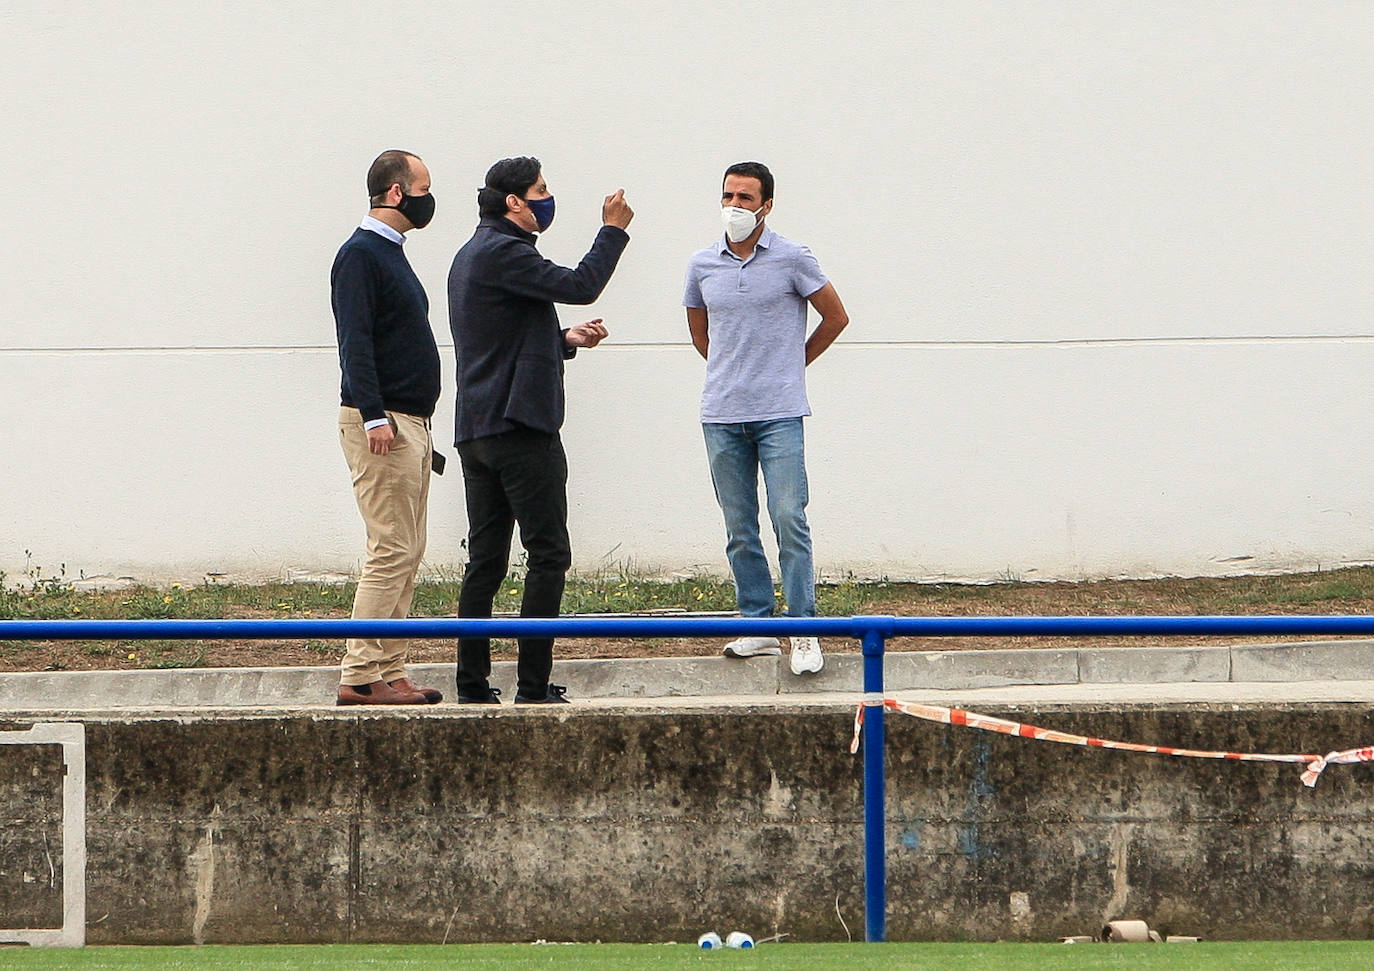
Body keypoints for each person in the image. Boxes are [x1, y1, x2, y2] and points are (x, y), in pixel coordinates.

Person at [447, 157, 633, 704]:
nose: (549, 200)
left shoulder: (471, 254)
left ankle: (472, 682)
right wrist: (613, 231)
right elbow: (581, 283)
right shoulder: (506, 251)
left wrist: (565, 340)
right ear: (515, 202)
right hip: (520, 428)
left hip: (477, 430)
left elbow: (500, 340)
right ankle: (531, 684)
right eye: (542, 191)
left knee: (485, 560)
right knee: (548, 553)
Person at [683, 161, 849, 675]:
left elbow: (835, 316)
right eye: (728, 195)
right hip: (722, 413)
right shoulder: (702, 264)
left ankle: (804, 628)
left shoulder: (793, 258)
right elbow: (699, 329)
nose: (735, 205)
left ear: (767, 205)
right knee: (739, 526)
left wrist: (789, 364)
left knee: (788, 518)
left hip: (778, 413)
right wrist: (730, 370)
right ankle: (757, 622)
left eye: (746, 198)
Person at [331, 149, 445, 706]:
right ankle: (358, 675)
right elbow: (355, 341)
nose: (430, 197)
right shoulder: (360, 255)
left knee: (410, 547)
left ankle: (391, 668)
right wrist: (375, 413)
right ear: (397, 192)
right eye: (424, 186)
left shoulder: (392, 254)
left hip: (410, 421)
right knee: (391, 546)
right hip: (383, 423)